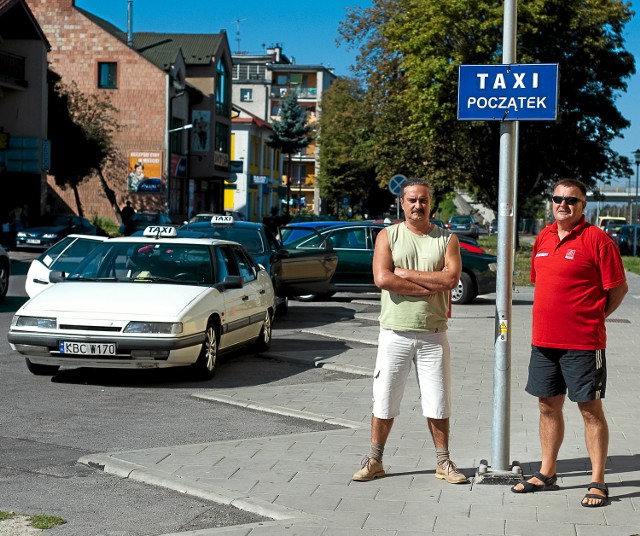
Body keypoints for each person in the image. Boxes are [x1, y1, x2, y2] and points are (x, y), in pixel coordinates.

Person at [511, 179, 628, 507]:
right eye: (558, 198)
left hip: (583, 343)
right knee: (547, 406)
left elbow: (618, 288)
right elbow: (542, 283)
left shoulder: (598, 240)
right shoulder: (543, 238)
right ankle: (548, 473)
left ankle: (598, 481)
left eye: (571, 200)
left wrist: (596, 315)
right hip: (544, 342)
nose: (563, 204)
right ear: (552, 202)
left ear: (582, 205)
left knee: (590, 410)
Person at [352, 179, 468, 484]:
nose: (418, 205)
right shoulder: (388, 235)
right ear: (402, 204)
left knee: (438, 400)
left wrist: (404, 274)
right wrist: (427, 283)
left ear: (431, 203)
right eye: (412, 200)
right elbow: (382, 278)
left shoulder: (447, 239)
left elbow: (451, 280)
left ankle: (443, 463)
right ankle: (375, 460)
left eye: (424, 200)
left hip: (433, 334)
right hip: (394, 333)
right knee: (385, 398)